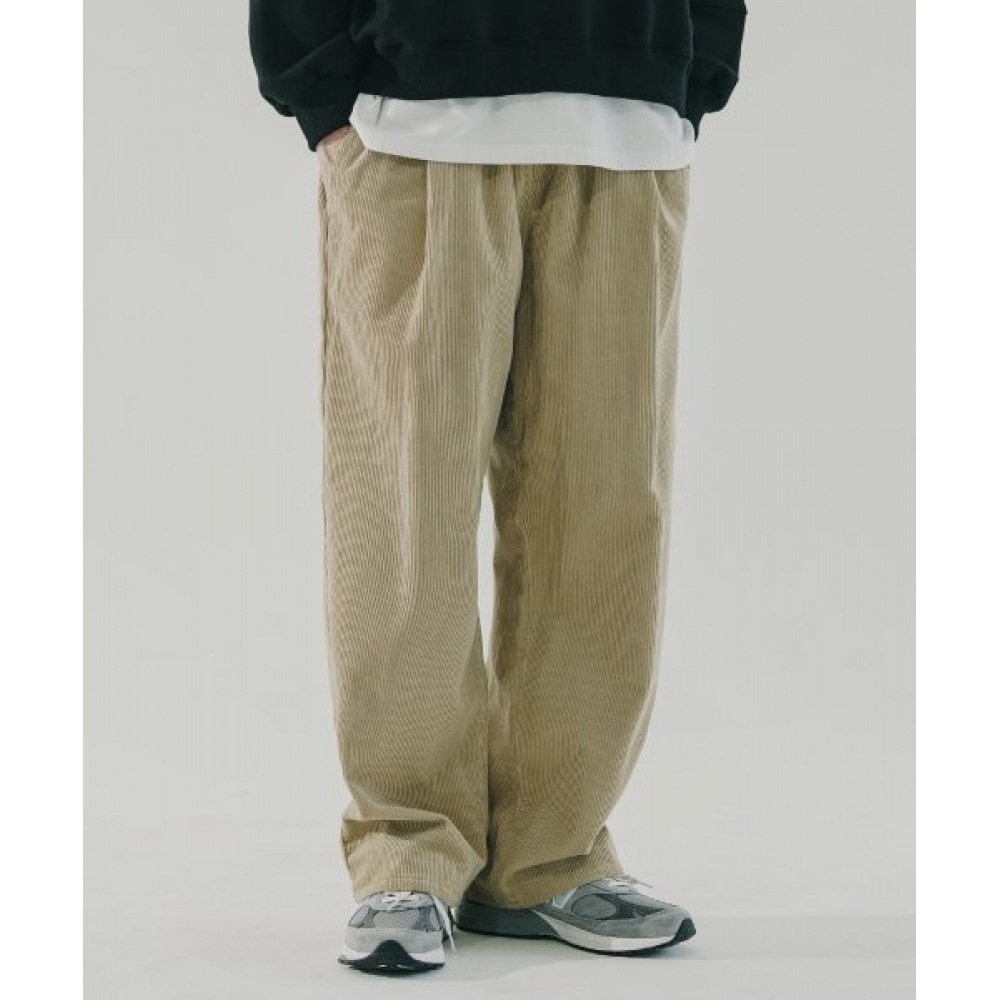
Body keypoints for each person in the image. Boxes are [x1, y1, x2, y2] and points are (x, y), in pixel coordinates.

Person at [249, 0, 746, 975]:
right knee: (405, 508)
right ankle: (408, 850)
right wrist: (320, 91)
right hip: (415, 119)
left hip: (628, 124)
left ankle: (553, 850)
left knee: (606, 513)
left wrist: (696, 69)